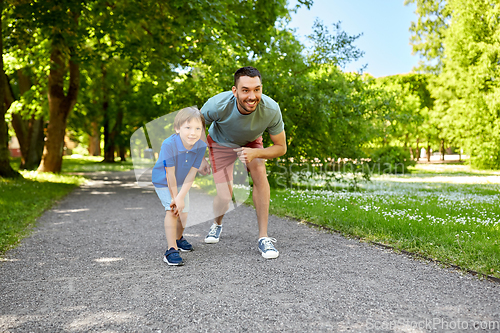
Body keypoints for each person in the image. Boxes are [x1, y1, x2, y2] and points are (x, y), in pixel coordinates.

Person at [198, 66, 287, 259]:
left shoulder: (271, 109)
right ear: (235, 91)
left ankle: (263, 237)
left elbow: (281, 147)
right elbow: (197, 124)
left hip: (251, 142)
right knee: (225, 195)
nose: (252, 96)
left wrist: (256, 153)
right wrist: (200, 157)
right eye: (245, 90)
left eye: (257, 89)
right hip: (220, 142)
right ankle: (217, 224)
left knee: (260, 176)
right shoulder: (217, 105)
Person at [151, 107, 207, 266]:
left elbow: (191, 174)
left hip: (183, 181)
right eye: (188, 127)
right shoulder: (169, 144)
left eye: (197, 128)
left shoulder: (201, 147)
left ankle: (178, 238)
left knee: (183, 215)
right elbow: (170, 175)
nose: (193, 132)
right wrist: (176, 198)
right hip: (164, 181)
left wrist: (181, 197)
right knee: (172, 210)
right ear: (177, 128)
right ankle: (171, 249)